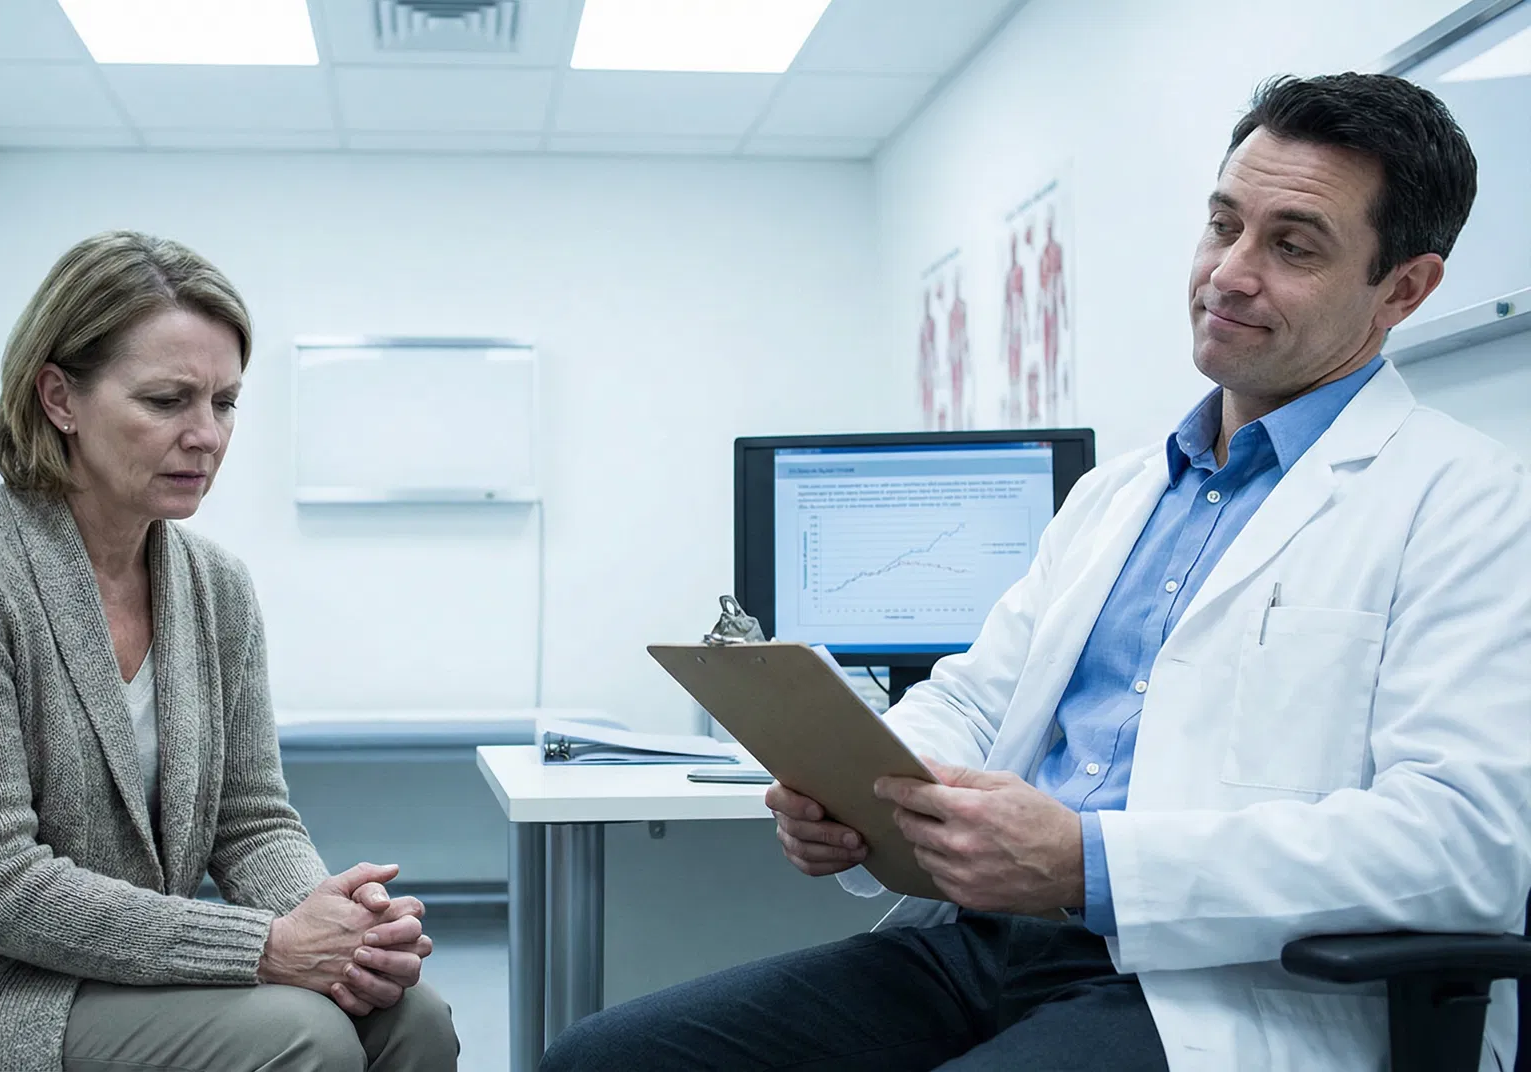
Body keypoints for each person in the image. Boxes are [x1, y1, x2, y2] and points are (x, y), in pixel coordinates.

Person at [544, 73, 1530, 1072]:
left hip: (1228, 988)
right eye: (1223, 224)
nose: (1228, 272)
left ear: (1403, 288)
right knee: (606, 1057)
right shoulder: (1119, 495)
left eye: (1292, 245)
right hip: (988, 946)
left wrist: (1088, 864)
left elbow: (1465, 842)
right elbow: (975, 698)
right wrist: (862, 791)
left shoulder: (1469, 505)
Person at [0, 232, 461, 1072]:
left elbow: (250, 819)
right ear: (59, 398)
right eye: (166, 401)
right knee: (309, 1040)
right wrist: (268, 945)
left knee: (412, 1016)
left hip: (120, 976)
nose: (206, 436)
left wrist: (343, 927)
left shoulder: (216, 587)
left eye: (224, 403)